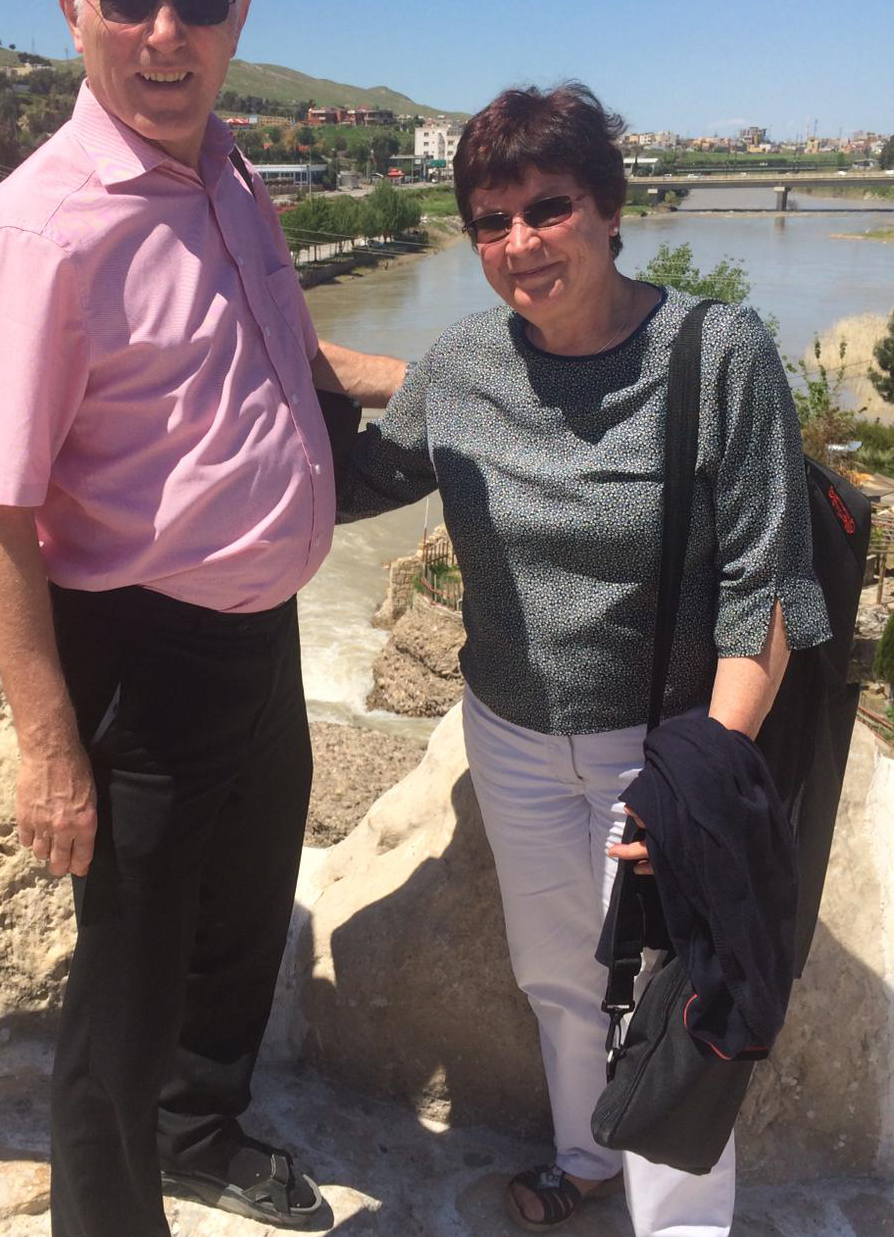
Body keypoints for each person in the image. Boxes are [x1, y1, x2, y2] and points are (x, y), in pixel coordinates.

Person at [0, 0, 404, 1237]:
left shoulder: (231, 170)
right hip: (141, 661)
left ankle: (201, 1133)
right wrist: (49, 745)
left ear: (237, 15)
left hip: (261, 638)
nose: (165, 31)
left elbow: (288, 356)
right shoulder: (39, 228)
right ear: (71, 11)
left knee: (243, 919)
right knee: (126, 998)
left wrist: (468, 382)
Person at [336, 83, 831, 1237]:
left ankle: (683, 1227)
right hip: (508, 735)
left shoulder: (716, 352)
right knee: (557, 974)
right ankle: (586, 1157)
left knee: (669, 998)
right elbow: (362, 479)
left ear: (609, 208)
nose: (520, 242)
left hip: (660, 747)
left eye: (547, 208)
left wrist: (701, 774)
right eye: (490, 221)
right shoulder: (464, 361)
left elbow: (765, 584)